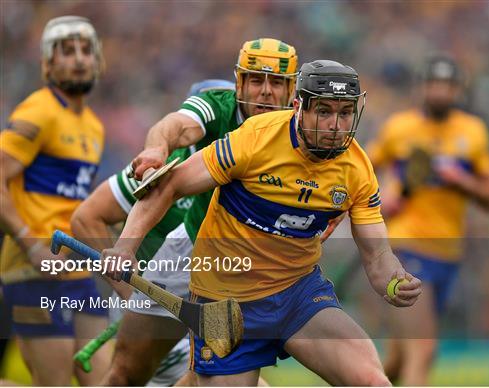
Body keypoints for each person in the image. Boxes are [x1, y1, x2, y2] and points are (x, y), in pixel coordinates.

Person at [102, 59, 423, 386]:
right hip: (226, 303)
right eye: (324, 112)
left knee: (374, 382)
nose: (335, 125)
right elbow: (170, 185)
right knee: (134, 373)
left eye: (344, 114)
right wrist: (126, 246)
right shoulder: (256, 139)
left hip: (297, 294)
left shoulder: (357, 168)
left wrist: (394, 279)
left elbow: (377, 255)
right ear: (299, 106)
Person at [72, 37, 298, 386]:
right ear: (238, 86)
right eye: (256, 80)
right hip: (172, 274)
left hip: (239, 270)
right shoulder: (179, 160)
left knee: (211, 378)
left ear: (290, 91)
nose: (265, 93)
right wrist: (155, 150)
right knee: (127, 373)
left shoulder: (295, 134)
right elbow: (173, 126)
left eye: (276, 83)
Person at [367, 55, 489, 385]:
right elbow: (359, 171)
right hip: (406, 248)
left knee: (400, 358)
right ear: (423, 88)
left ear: (458, 91)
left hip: (448, 255)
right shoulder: (399, 128)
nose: (440, 92)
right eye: (434, 84)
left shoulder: (473, 132)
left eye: (447, 86)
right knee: (423, 350)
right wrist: (384, 197)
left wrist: (462, 181)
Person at [0, 16, 109, 385]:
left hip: (77, 274)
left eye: (85, 51)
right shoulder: (37, 111)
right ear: (48, 63)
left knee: (109, 379)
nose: (79, 59)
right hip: (33, 271)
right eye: (66, 51)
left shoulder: (93, 126)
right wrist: (32, 246)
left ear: (97, 62)